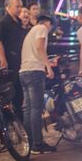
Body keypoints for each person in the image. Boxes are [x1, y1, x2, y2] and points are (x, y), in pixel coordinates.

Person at [19, 14, 54, 153]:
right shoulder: (42, 28)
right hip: (35, 71)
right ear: (48, 22)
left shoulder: (31, 31)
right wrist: (48, 66)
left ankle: (31, 142)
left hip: (24, 71)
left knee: (28, 109)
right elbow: (40, 47)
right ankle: (38, 144)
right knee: (36, 109)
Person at [0, 0, 28, 116]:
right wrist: (2, 59)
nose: (19, 9)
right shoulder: (3, 22)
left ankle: (19, 113)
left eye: (20, 6)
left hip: (20, 59)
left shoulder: (18, 22)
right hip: (10, 60)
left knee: (19, 88)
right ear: (9, 7)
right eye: (17, 6)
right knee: (11, 89)